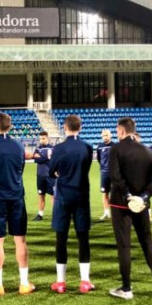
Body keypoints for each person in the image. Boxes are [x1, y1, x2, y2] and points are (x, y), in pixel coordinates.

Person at [107, 117, 152, 300]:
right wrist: (144, 197)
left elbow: (115, 176)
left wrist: (127, 195)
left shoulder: (116, 149)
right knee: (147, 241)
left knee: (124, 245)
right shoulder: (148, 151)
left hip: (120, 204)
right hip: (142, 204)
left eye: (117, 130)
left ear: (122, 131)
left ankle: (126, 288)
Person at [0, 113, 35, 296]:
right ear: (10, 127)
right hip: (16, 196)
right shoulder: (18, 146)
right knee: (20, 240)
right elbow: (20, 169)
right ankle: (24, 283)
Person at [48, 116, 95, 294]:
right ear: (80, 127)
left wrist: (60, 172)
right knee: (83, 238)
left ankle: (60, 282)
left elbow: (51, 171)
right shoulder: (87, 147)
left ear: (65, 127)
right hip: (82, 196)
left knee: (61, 238)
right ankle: (85, 281)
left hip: (63, 197)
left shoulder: (59, 148)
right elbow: (86, 168)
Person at [33, 131, 55, 221]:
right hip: (40, 176)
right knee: (41, 195)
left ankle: (56, 214)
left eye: (43, 138)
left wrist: (41, 157)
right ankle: (40, 214)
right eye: (40, 138)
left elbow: (54, 160)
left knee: (54, 196)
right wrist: (47, 158)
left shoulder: (53, 148)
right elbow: (36, 159)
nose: (41, 140)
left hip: (51, 175)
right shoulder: (38, 148)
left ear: (47, 138)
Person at [96, 129, 117, 221]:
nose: (105, 137)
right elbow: (99, 159)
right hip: (104, 173)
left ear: (110, 135)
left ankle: (115, 214)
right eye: (104, 135)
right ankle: (106, 213)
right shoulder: (99, 147)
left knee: (115, 193)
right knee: (105, 193)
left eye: (107, 135)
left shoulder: (115, 146)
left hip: (114, 173)